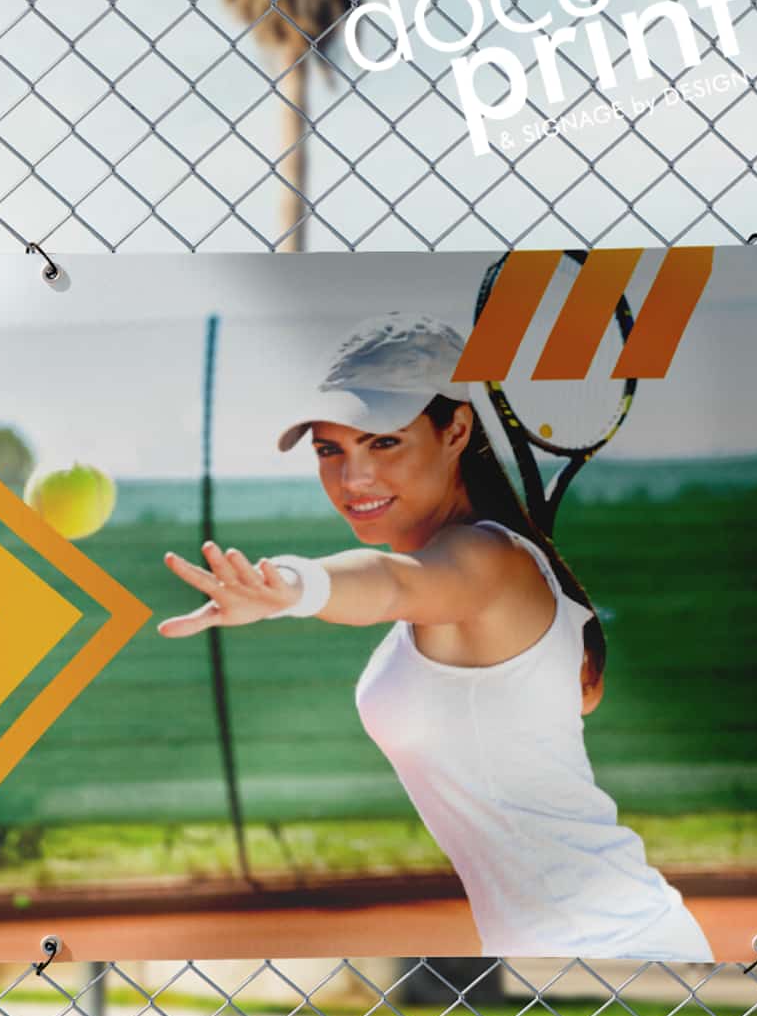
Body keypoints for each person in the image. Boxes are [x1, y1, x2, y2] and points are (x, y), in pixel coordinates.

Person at [158, 313, 715, 962]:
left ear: (455, 430)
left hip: (617, 946)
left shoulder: (487, 562)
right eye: (330, 450)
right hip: (576, 945)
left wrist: (290, 584)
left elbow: (391, 583)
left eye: (383, 443)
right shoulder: (490, 571)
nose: (352, 479)